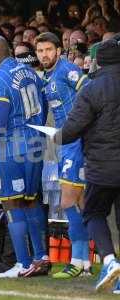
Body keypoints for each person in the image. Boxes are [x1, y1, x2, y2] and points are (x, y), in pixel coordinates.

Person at [0, 35, 49, 278]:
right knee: (31, 201)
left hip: (12, 148)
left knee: (10, 202)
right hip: (36, 144)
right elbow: (45, 106)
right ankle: (41, 258)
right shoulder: (30, 73)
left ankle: (22, 262)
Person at [53, 38, 120, 292]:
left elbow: (72, 129)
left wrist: (55, 136)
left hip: (103, 166)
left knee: (93, 213)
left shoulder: (92, 89)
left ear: (98, 61)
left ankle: (110, 261)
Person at [35, 32, 91, 279]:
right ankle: (86, 263)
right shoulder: (47, 76)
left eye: (48, 50)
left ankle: (77, 261)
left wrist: (81, 126)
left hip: (75, 141)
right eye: (40, 51)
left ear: (58, 50)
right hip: (64, 142)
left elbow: (89, 92)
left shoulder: (67, 70)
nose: (44, 55)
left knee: (67, 201)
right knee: (80, 203)